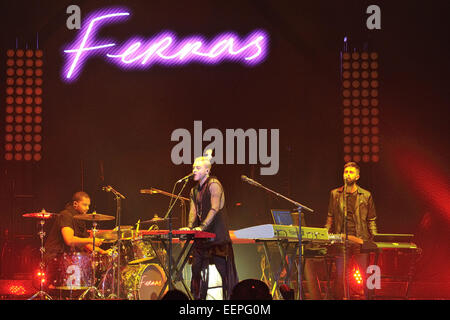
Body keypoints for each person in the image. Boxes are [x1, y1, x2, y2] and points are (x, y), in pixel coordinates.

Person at [180, 150, 238, 300]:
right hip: (203, 238)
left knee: (223, 272)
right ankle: (197, 299)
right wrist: (190, 227)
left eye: (197, 168)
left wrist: (202, 227)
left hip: (217, 237)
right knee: (196, 269)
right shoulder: (193, 191)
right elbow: (193, 212)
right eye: (193, 167)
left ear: (207, 170)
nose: (193, 170)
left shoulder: (214, 185)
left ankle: (232, 299)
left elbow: (215, 208)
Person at [325, 162, 377, 299]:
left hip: (360, 239)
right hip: (342, 240)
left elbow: (371, 219)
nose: (347, 174)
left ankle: (368, 297)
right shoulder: (335, 194)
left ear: (357, 176)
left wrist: (374, 239)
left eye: (351, 172)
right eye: (346, 171)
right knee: (341, 275)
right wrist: (325, 235)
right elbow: (330, 216)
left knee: (366, 274)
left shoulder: (366, 195)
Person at [44, 191, 108, 288]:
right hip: (56, 257)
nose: (87, 208)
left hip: (68, 257)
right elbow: (69, 240)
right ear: (75, 204)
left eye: (88, 205)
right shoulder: (66, 215)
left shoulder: (80, 219)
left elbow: (83, 242)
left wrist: (103, 252)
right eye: (85, 205)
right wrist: (91, 240)